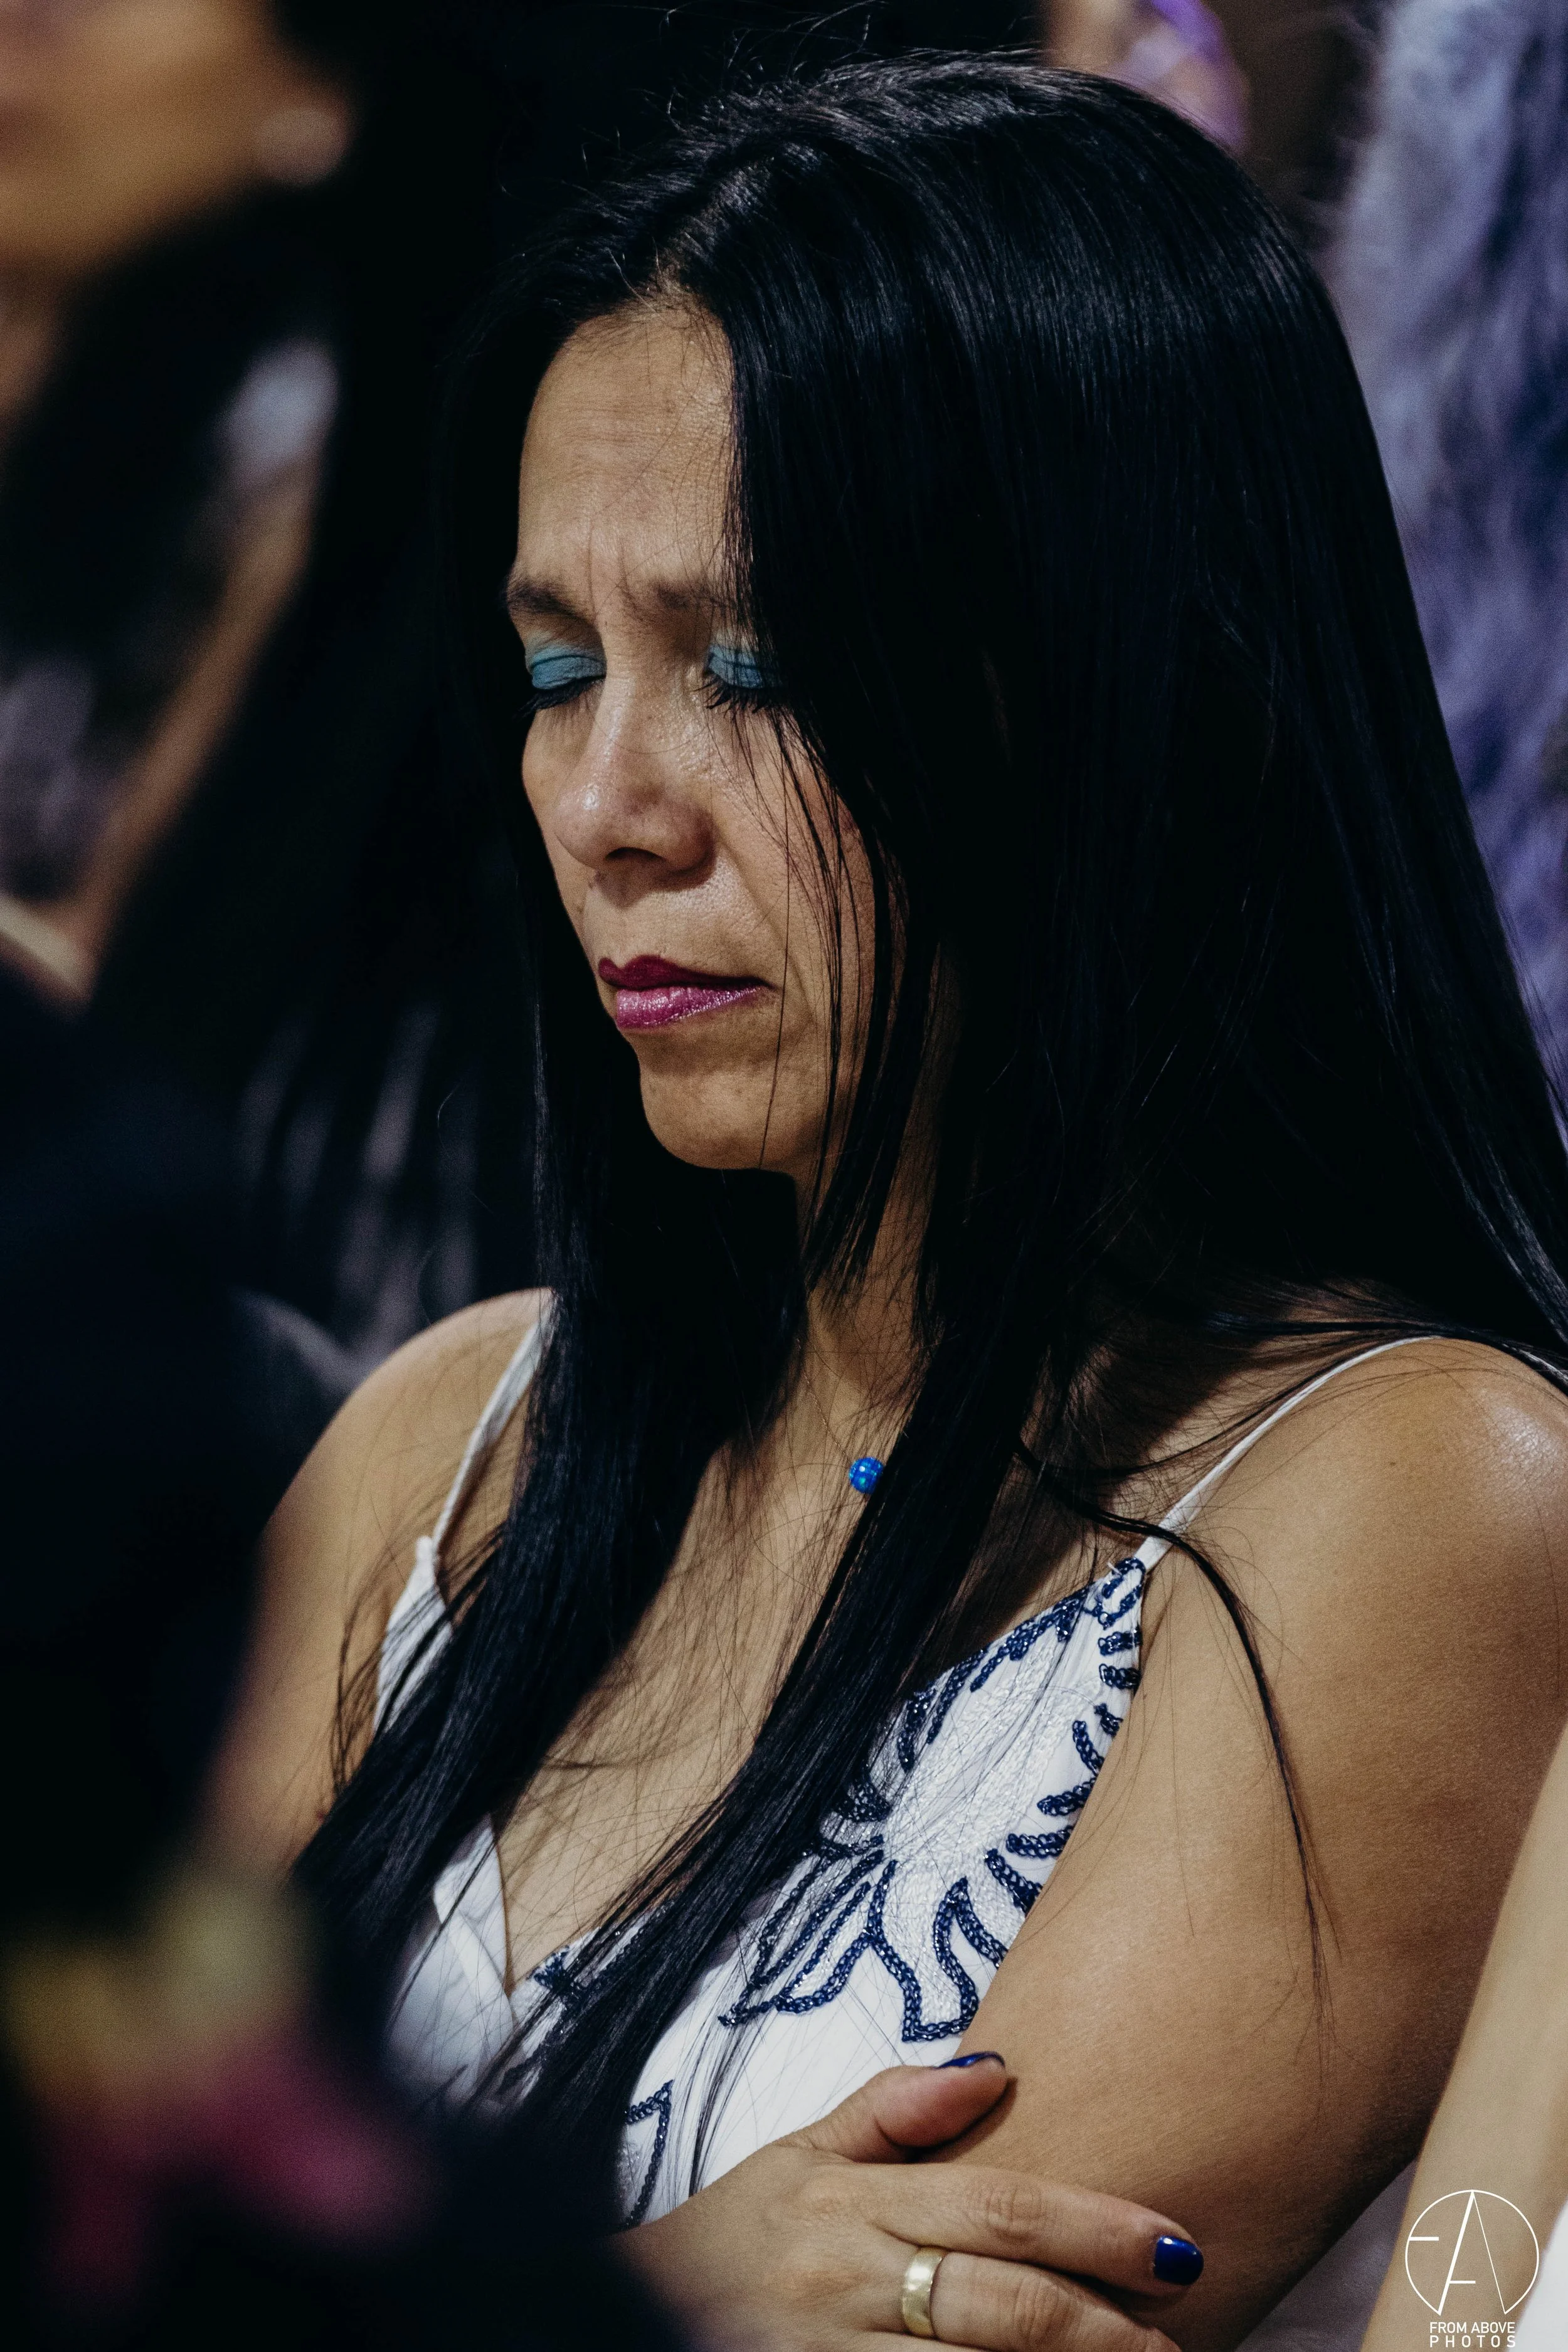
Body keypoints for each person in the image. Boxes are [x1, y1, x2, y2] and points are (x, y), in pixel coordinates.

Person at [207, 56, 1568, 2351]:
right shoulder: (438, 1449)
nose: (611, 804)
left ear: (1125, 689)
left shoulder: (1417, 1502)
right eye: (558, 669)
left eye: (751, 663)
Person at [0, 0, 535, 1384]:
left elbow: (117, 1001)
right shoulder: (96, 396)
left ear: (326, 83)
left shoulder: (323, 467)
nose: (28, 26)